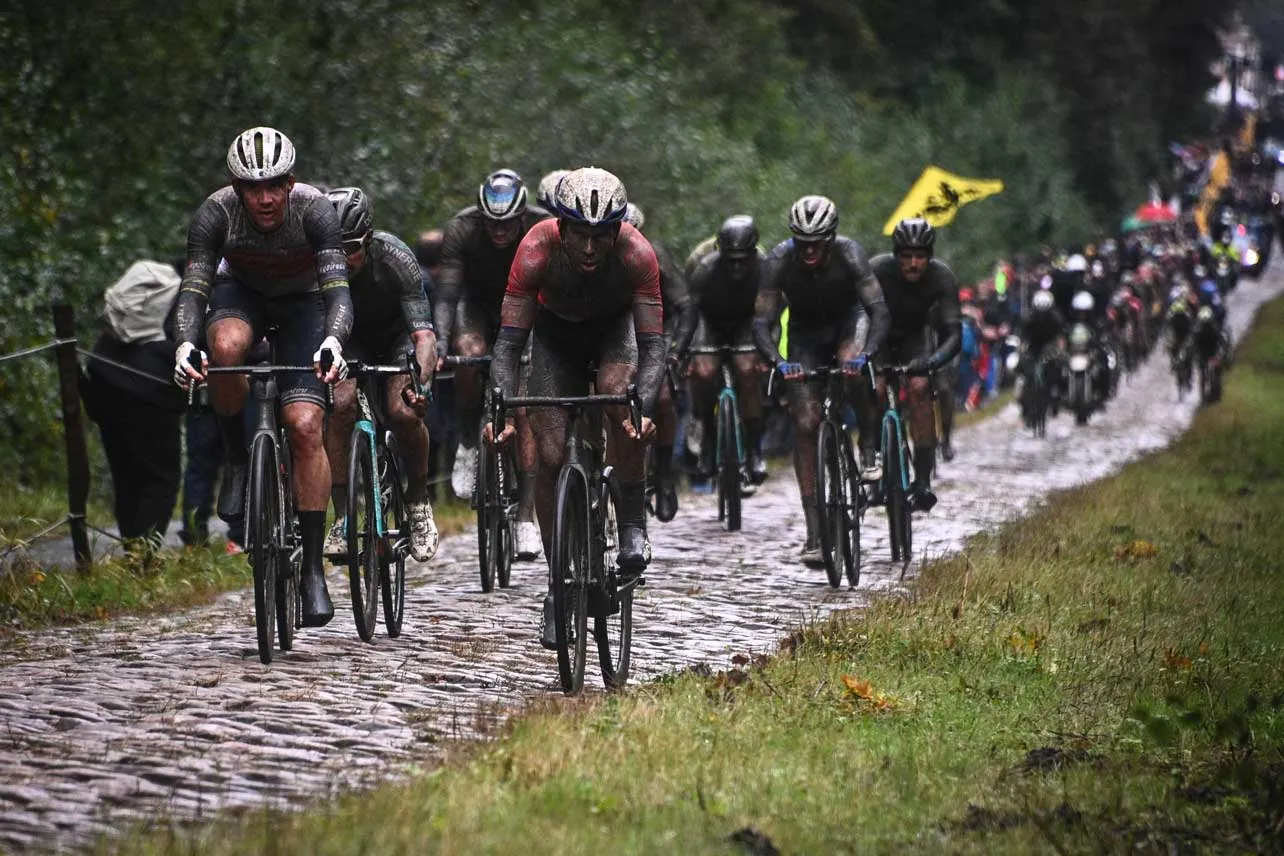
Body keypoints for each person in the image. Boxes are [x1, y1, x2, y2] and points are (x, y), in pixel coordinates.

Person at [173, 126, 351, 628]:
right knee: (225, 347)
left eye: (275, 185)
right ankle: (236, 459)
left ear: (291, 181)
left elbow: (338, 292)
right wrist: (186, 342)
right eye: (253, 187)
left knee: (305, 426)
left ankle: (312, 568)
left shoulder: (315, 211)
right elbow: (194, 290)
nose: (266, 198)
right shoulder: (215, 213)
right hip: (240, 295)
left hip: (303, 305)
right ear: (236, 187)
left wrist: (334, 340)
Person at [484, 167, 664, 649]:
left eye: (600, 237)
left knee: (619, 400)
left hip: (614, 333)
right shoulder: (534, 250)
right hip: (555, 338)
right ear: (561, 228)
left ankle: (630, 522)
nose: (589, 249)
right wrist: (497, 413)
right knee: (547, 455)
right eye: (579, 235)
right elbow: (507, 346)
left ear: (617, 232)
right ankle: (557, 583)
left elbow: (653, 347)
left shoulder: (637, 254)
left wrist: (641, 409)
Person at [752, 195, 889, 566]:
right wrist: (778, 362)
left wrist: (868, 355)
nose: (809, 250)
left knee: (852, 365)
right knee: (805, 422)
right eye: (802, 242)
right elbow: (761, 322)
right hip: (805, 333)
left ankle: (869, 445)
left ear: (831, 237)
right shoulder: (778, 260)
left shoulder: (851, 254)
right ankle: (814, 532)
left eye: (817, 242)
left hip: (849, 321)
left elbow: (878, 310)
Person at [434, 169, 550, 560]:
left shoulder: (541, 227)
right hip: (478, 308)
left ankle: (526, 517)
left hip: (526, 309)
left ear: (522, 216)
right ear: (480, 218)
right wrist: (437, 342)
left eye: (507, 224)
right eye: (492, 224)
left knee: (521, 402)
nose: (499, 232)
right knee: (467, 352)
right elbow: (448, 297)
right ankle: (467, 442)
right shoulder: (462, 230)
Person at [321, 187, 440, 563]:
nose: (342, 258)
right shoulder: (316, 260)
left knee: (403, 412)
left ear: (369, 239)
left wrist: (421, 386)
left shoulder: (395, 257)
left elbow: (423, 336)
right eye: (334, 248)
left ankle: (418, 500)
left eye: (351, 247)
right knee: (339, 405)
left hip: (396, 338)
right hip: (347, 340)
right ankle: (342, 516)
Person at [83, 259, 186, 550]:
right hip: (149, 394)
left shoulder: (147, 287)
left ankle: (133, 552)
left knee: (126, 477)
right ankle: (143, 557)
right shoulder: (187, 298)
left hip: (103, 381)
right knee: (162, 481)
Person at [864, 218, 961, 513]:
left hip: (914, 338)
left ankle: (921, 480)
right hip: (876, 336)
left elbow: (953, 333)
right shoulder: (876, 270)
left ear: (930, 257)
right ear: (896, 256)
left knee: (920, 388)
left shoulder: (941, 277)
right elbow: (856, 316)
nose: (914, 264)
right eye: (906, 256)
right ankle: (871, 457)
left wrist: (931, 363)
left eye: (920, 256)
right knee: (876, 389)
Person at [672, 215, 769, 490]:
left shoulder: (765, 268)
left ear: (752, 254)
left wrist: (766, 352)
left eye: (743, 260)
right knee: (704, 373)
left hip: (747, 322)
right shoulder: (702, 268)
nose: (737, 267)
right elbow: (689, 314)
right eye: (731, 260)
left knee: (747, 369)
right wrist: (684, 352)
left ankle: (753, 451)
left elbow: (769, 313)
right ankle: (707, 438)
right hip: (709, 321)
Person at [624, 202, 690, 522]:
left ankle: (664, 474)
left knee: (662, 397)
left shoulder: (654, 257)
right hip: (609, 336)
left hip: (651, 335)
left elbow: (685, 306)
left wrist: (675, 349)